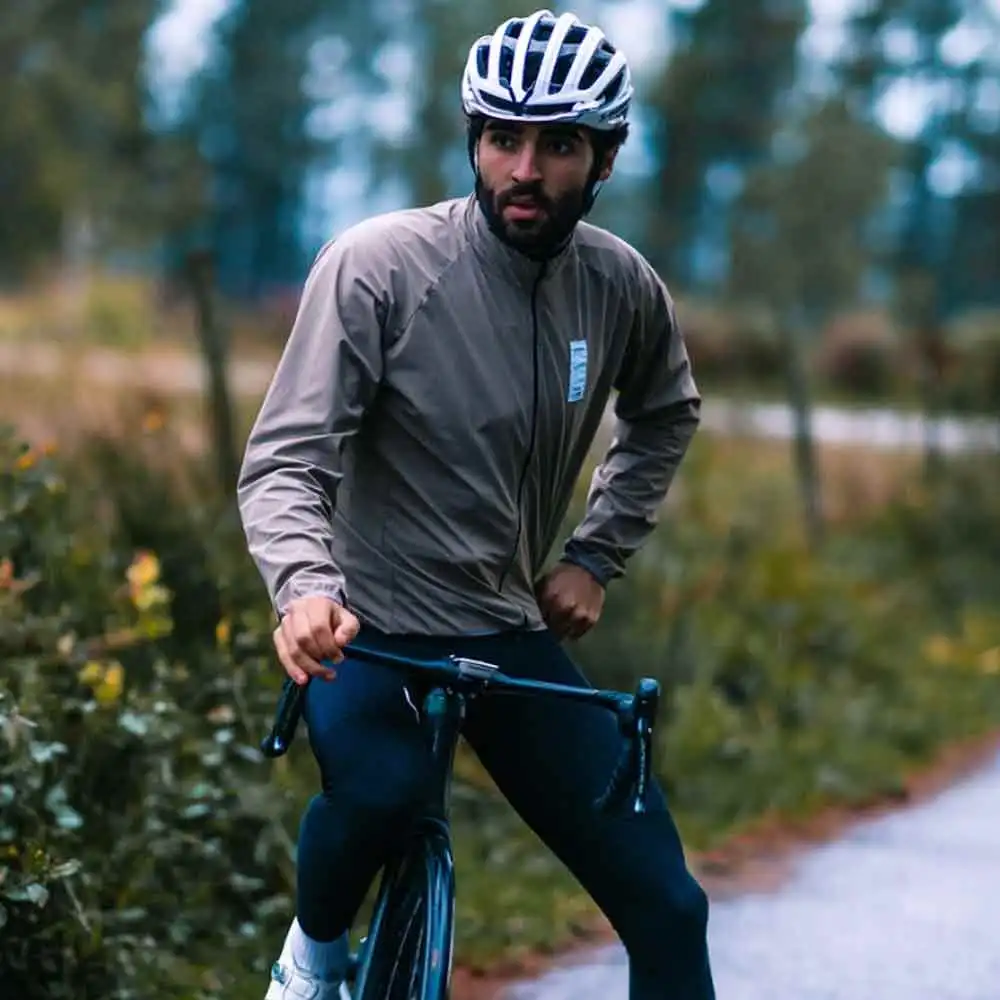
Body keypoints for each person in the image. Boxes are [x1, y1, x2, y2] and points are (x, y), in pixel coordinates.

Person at [237, 8, 716, 999]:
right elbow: (286, 460)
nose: (523, 171)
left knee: (669, 906)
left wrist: (594, 553)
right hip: (368, 625)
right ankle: (312, 960)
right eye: (502, 139)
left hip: (503, 629)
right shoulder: (379, 266)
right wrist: (304, 586)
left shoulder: (619, 285)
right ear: (474, 141)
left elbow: (665, 412)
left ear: (605, 157)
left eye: (558, 145)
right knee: (382, 793)